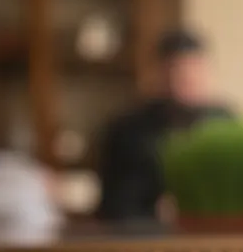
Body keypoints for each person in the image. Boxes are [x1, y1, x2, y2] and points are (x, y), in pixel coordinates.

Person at [95, 29, 235, 224]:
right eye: (178, 72)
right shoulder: (128, 130)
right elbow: (115, 205)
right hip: (145, 233)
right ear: (159, 73)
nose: (188, 79)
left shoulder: (225, 122)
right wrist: (156, 210)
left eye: (196, 70)